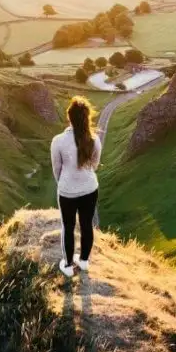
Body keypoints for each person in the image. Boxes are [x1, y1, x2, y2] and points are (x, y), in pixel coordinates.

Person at [51, 96, 102, 277]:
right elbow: (94, 165)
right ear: (87, 117)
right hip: (90, 188)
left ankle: (68, 266)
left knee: (68, 226)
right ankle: (84, 261)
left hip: (67, 192)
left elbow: (56, 169)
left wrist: (64, 183)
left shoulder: (58, 141)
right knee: (87, 224)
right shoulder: (95, 140)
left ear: (69, 117)